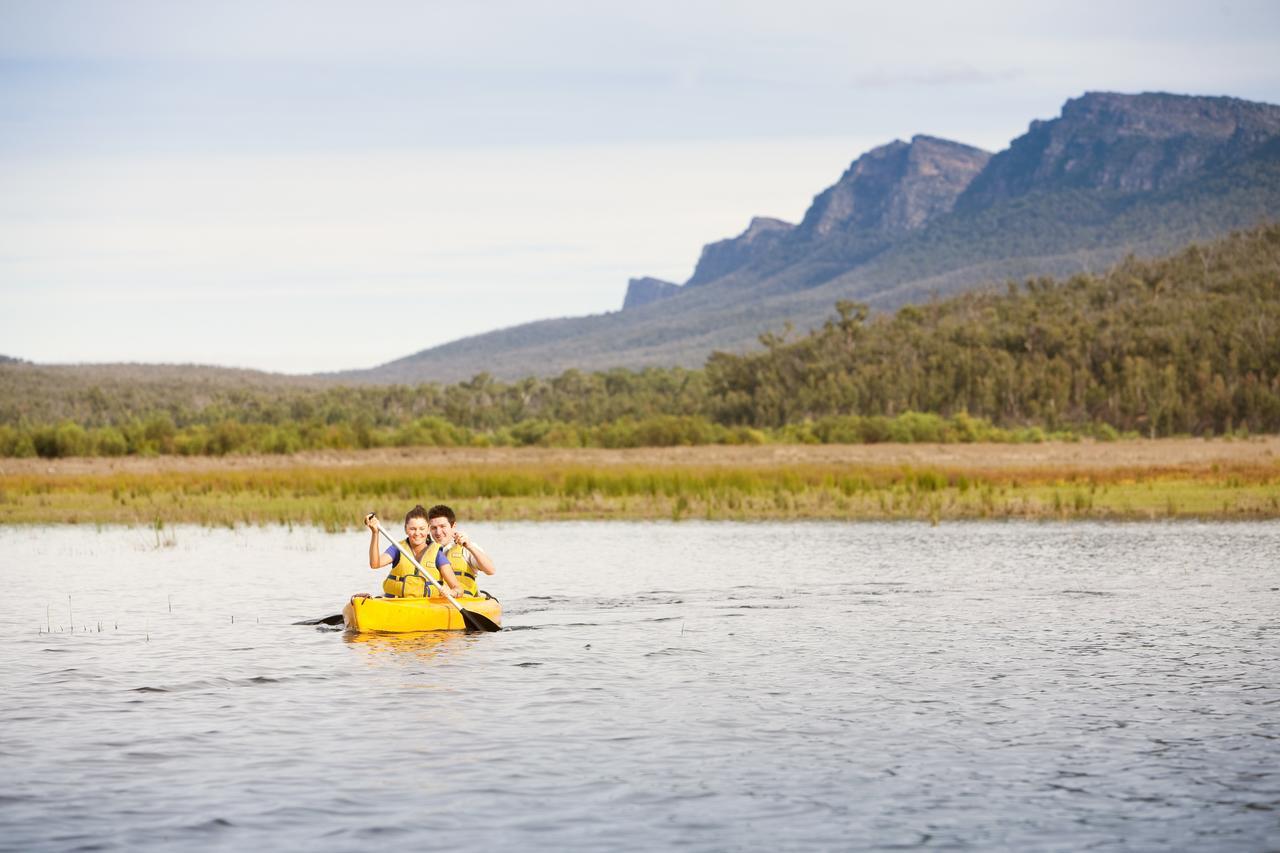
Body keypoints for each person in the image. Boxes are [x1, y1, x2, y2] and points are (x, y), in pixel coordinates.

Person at [365, 505, 463, 598]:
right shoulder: (397, 549)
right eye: (412, 529)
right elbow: (375, 564)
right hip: (396, 602)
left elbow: (458, 589)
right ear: (406, 529)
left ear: (428, 529)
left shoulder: (437, 554)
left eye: (422, 529)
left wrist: (451, 592)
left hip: (426, 606)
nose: (417, 533)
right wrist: (375, 533)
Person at [423, 504, 496, 597]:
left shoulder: (466, 548)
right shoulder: (425, 551)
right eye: (434, 528)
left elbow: (491, 570)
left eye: (442, 526)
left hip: (465, 603)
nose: (438, 532)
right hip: (435, 604)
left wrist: (469, 546)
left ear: (453, 526)